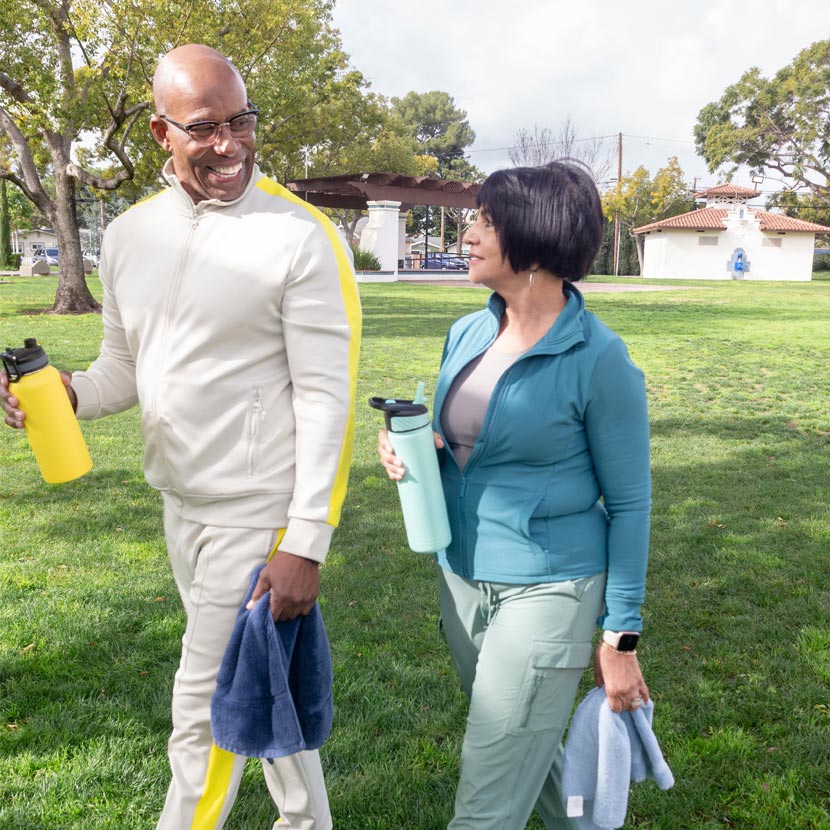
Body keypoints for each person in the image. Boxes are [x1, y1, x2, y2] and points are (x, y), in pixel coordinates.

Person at [1, 44, 361, 830]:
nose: (228, 144)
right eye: (204, 128)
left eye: (241, 122)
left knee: (200, 712)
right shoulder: (129, 236)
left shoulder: (300, 238)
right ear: (163, 133)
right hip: (179, 504)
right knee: (255, 678)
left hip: (257, 512)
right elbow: (123, 368)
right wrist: (67, 393)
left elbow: (329, 399)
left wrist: (307, 540)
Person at [378, 162, 651, 829]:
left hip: (550, 588)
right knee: (526, 749)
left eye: (484, 221)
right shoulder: (470, 332)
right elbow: (463, 442)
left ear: (532, 237)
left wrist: (620, 637)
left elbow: (632, 504)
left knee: (488, 794)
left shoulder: (599, 359)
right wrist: (411, 452)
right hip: (462, 577)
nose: (468, 235)